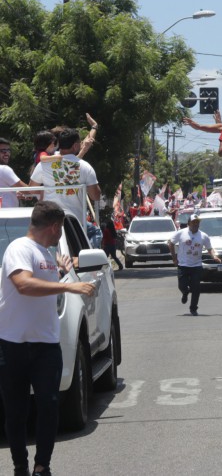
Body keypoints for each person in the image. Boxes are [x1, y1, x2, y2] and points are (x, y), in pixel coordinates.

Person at [0, 201, 95, 476]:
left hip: (46, 346)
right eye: (60, 230)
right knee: (16, 411)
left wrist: (63, 272)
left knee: (50, 405)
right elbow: (23, 284)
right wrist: (71, 285)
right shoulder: (19, 248)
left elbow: (43, 284)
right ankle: (20, 466)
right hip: (14, 345)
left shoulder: (45, 252)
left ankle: (42, 465)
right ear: (54, 227)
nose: (59, 236)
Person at [29, 128, 101, 222]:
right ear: (75, 146)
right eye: (80, 142)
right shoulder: (86, 167)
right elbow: (95, 196)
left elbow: (31, 190)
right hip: (75, 223)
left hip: (50, 221)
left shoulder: (44, 163)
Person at [167, 213, 220, 315]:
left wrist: (214, 257)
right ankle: (185, 292)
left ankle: (193, 308)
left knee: (196, 288)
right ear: (189, 223)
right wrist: (174, 258)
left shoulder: (203, 236)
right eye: (193, 222)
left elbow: (210, 249)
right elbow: (171, 243)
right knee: (182, 286)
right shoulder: (181, 233)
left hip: (196, 266)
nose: (196, 224)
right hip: (183, 265)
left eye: (197, 222)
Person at [0, 137, 28, 207]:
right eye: (3, 151)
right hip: (8, 215)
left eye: (8, 150)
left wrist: (16, 192)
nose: (7, 153)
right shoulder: (4, 169)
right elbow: (28, 190)